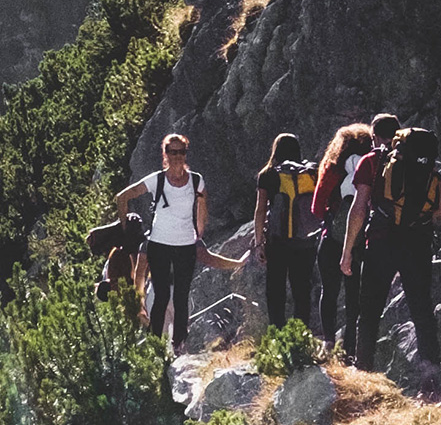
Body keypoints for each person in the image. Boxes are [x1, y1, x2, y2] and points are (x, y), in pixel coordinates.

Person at [114, 133, 244, 351]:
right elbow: (123, 197)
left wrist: (199, 230)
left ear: (185, 154)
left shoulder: (196, 180)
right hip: (159, 247)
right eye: (172, 152)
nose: (176, 156)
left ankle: (177, 347)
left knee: (181, 296)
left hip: (185, 245)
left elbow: (203, 204)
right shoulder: (157, 180)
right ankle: (159, 348)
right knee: (162, 295)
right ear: (165, 154)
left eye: (181, 152)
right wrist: (124, 228)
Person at [343, 127, 441, 374]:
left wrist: (347, 250)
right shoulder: (429, 167)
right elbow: (440, 210)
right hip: (418, 243)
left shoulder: (373, 161)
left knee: (370, 309)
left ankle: (363, 370)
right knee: (422, 308)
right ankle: (431, 373)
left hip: (381, 241)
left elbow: (358, 208)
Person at [311, 122, 374, 348]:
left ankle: (329, 341)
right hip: (362, 240)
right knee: (354, 294)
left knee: (329, 291)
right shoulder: (372, 166)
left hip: (333, 238)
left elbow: (317, 207)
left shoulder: (332, 169)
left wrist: (333, 217)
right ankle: (350, 345)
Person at [254, 133, 319, 329]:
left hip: (278, 241)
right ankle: (301, 333)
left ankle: (277, 333)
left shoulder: (268, 174)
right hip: (306, 240)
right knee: (302, 290)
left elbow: (260, 210)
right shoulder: (311, 172)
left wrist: (258, 242)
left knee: (275, 290)